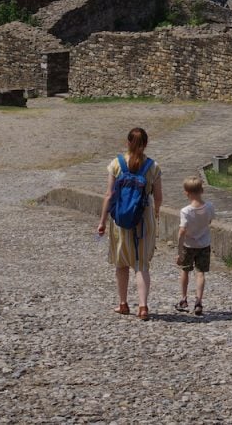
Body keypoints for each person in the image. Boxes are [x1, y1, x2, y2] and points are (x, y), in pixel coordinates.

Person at [97, 127, 163, 321]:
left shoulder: (116, 164)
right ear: (146, 144)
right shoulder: (153, 167)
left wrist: (101, 222)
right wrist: (156, 214)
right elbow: (158, 198)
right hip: (143, 221)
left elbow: (109, 195)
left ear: (127, 142)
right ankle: (143, 307)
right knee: (141, 265)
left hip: (120, 221)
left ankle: (123, 303)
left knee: (121, 264)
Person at [174, 176, 215, 316]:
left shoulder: (186, 211)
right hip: (204, 244)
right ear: (202, 190)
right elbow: (209, 221)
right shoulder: (209, 207)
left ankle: (184, 299)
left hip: (188, 244)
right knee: (200, 272)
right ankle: (198, 301)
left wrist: (179, 251)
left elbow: (182, 231)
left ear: (186, 192)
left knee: (185, 271)